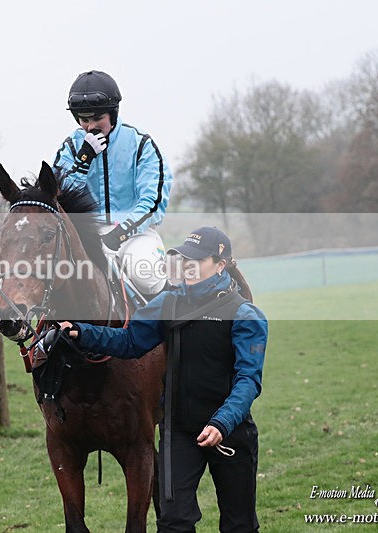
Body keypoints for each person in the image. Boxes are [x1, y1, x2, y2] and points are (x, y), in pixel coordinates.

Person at [56, 226, 267, 532]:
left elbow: (248, 381)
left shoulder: (246, 315)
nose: (189, 266)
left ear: (220, 264)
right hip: (178, 433)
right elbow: (129, 342)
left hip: (230, 433)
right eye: (185, 259)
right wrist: (82, 332)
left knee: (240, 525)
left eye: (198, 260)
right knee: (173, 523)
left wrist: (222, 423)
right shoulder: (168, 302)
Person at [53, 70, 173, 298]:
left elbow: (153, 201)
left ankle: (171, 317)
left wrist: (121, 233)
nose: (91, 127)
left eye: (97, 118)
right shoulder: (70, 148)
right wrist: (83, 161)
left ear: (113, 113)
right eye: (84, 120)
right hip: (86, 236)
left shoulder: (141, 144)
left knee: (146, 276)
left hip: (135, 234)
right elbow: (60, 196)